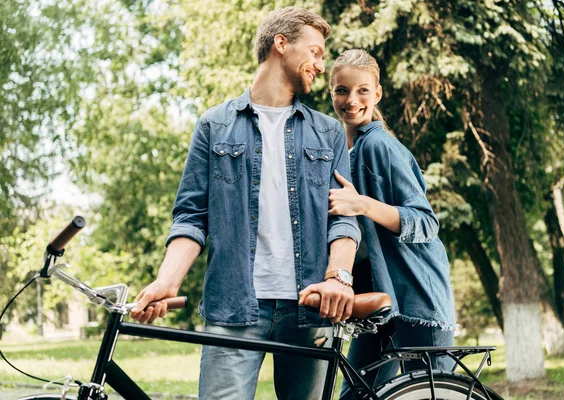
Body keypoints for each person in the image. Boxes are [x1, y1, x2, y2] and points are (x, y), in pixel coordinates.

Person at [130, 8, 361, 400]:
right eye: (316, 52)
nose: (321, 66)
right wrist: (167, 282)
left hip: (310, 308)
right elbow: (191, 218)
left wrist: (338, 276)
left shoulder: (327, 133)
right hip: (233, 306)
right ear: (281, 44)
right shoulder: (214, 125)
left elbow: (343, 218)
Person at [327, 49, 456, 399]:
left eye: (362, 90)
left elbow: (426, 222)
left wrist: (363, 204)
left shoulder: (380, 146)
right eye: (342, 90)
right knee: (356, 394)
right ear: (331, 93)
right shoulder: (347, 152)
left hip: (417, 300)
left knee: (433, 394)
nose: (351, 100)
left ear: (377, 93)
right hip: (381, 300)